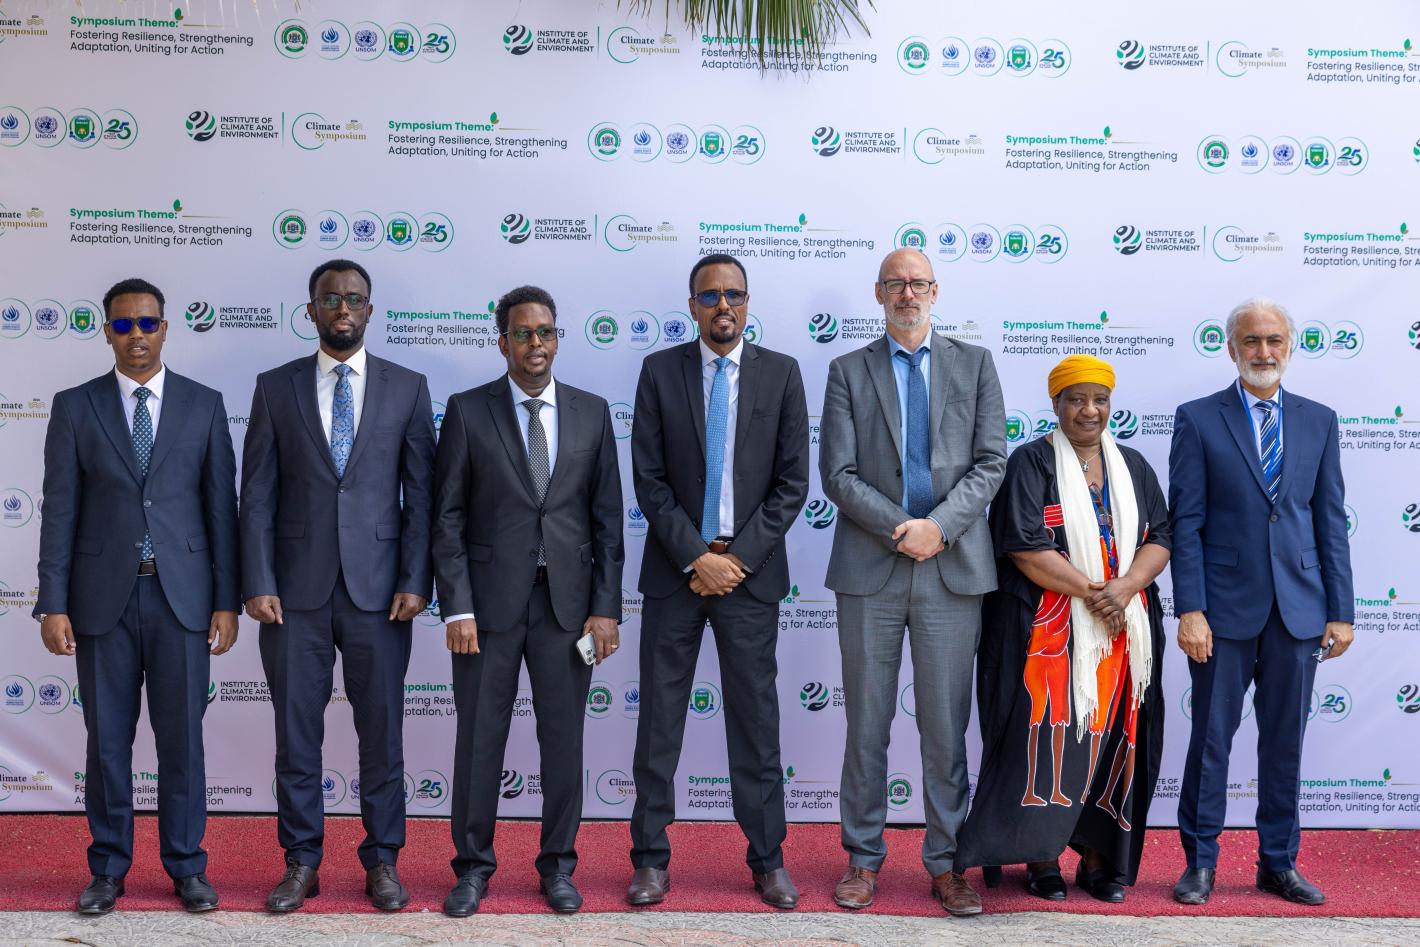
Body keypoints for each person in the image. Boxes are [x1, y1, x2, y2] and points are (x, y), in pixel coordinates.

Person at [34, 277, 238, 915]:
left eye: (147, 323)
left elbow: (221, 512)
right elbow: (59, 512)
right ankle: (107, 869)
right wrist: (53, 602)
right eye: (123, 325)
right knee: (107, 743)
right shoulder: (76, 406)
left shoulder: (204, 404)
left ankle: (187, 867)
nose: (137, 336)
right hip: (102, 604)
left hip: (184, 602)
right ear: (107, 332)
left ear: (165, 329)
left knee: (182, 744)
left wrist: (226, 600)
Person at [239, 259, 435, 913]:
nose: (343, 308)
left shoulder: (408, 388)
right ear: (312, 310)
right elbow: (256, 495)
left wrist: (416, 578)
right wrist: (257, 580)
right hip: (293, 596)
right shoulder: (275, 388)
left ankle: (382, 861)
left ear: (370, 310)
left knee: (383, 735)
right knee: (297, 737)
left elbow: (423, 497)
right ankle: (301, 861)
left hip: (383, 596)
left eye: (354, 298)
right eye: (331, 298)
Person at [819, 248, 1005, 915]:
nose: (908, 293)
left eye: (918, 282)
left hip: (950, 569)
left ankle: (948, 863)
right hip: (872, 567)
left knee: (946, 727)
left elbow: (991, 463)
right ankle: (862, 858)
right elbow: (838, 474)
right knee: (866, 723)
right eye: (896, 283)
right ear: (878, 293)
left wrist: (940, 528)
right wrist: (904, 528)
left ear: (935, 290)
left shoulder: (975, 364)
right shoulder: (847, 370)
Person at [433, 286, 624, 916]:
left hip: (567, 611)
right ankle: (472, 869)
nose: (535, 343)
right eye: (522, 333)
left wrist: (606, 608)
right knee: (478, 742)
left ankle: (558, 866)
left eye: (545, 332)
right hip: (487, 612)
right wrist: (457, 607)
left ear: (557, 339)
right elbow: (447, 519)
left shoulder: (592, 412)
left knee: (563, 744)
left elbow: (608, 522)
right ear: (502, 342)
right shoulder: (468, 411)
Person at [627, 253, 809, 909]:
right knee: (659, 725)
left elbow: (792, 483)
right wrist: (695, 556)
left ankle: (767, 859)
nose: (723, 305)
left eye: (733, 294)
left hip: (748, 578)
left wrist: (737, 559)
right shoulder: (659, 372)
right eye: (710, 296)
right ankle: (650, 859)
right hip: (677, 574)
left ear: (748, 303)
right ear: (693, 305)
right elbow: (648, 479)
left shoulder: (782, 373)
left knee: (756, 724)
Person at [955, 355, 1170, 903]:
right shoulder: (1030, 463)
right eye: (1076, 399)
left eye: (1099, 399)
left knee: (1112, 742)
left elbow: (1160, 537)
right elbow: (1025, 547)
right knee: (1045, 738)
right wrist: (1098, 593)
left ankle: (1098, 858)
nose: (1088, 410)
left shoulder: (1133, 466)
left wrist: (1126, 588)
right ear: (1056, 404)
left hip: (1123, 637)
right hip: (1046, 635)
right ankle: (1041, 857)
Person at [1169, 298, 1354, 907]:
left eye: (1274, 340)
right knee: (1211, 740)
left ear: (1289, 346)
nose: (1264, 351)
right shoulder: (1198, 419)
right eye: (1251, 340)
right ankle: (1200, 862)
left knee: (1285, 743)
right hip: (1222, 611)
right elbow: (1187, 523)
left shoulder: (1319, 420)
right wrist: (1190, 609)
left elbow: (1330, 521)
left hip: (1299, 611)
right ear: (1231, 348)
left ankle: (1278, 863)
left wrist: (1341, 610)